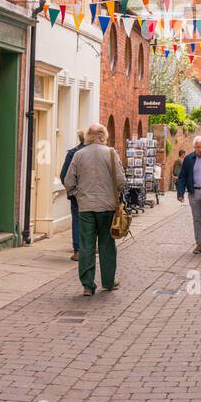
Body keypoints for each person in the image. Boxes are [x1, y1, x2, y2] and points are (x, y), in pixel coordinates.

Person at [65, 123, 127, 296]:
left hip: (85, 208)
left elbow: (69, 182)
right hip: (107, 207)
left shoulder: (78, 155)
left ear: (88, 136)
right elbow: (121, 181)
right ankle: (108, 281)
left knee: (86, 246)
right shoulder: (110, 153)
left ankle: (87, 285)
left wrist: (78, 194)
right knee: (107, 245)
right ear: (103, 136)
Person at [60, 130, 85, 260]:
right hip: (95, 195)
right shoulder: (103, 152)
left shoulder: (73, 153)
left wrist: (73, 191)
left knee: (77, 220)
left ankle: (78, 251)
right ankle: (90, 247)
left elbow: (64, 176)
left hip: (77, 195)